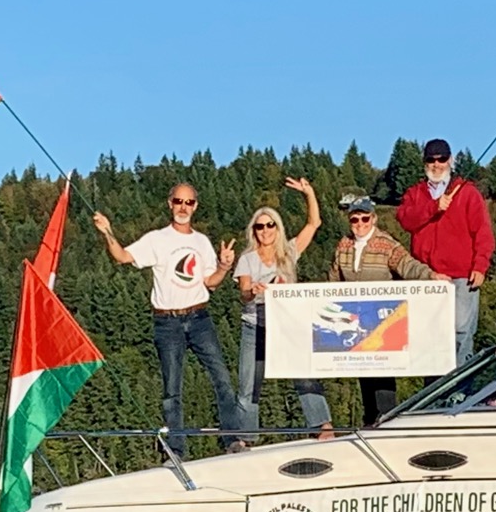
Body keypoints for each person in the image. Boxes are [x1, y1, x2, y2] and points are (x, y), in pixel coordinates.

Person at [92, 184, 246, 454]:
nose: (183, 207)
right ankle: (176, 449)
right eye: (178, 201)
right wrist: (108, 232)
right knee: (171, 390)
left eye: (189, 202)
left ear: (195, 206)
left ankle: (232, 440)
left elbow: (211, 282)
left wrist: (224, 266)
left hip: (200, 318)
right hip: (167, 323)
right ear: (170, 203)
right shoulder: (156, 239)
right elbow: (122, 257)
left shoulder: (201, 242)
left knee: (221, 378)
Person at [235, 178, 335, 439]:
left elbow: (314, 224)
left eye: (270, 225)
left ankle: (322, 426)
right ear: (253, 231)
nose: (266, 230)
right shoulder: (246, 258)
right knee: (248, 385)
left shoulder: (290, 251)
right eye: (260, 226)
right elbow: (243, 293)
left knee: (304, 375)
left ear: (277, 228)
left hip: (288, 325)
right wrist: (252, 291)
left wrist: (309, 193)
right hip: (255, 324)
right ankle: (245, 438)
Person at [329, 195, 435, 426]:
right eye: (354, 219)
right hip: (356, 320)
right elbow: (334, 279)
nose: (360, 224)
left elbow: (408, 265)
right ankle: (369, 420)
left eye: (365, 219)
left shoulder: (387, 244)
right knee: (364, 374)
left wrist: (431, 275)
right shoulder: (343, 245)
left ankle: (388, 419)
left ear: (374, 219)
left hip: (382, 319)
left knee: (384, 371)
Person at [392, 138, 495, 370]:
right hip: (427, 276)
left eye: (441, 159)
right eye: (431, 159)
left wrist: (480, 265)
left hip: (462, 276)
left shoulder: (467, 193)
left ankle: (460, 389)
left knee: (460, 332)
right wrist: (434, 207)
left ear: (450, 160)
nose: (436, 164)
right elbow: (405, 220)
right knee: (429, 337)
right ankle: (433, 390)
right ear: (424, 162)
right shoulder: (414, 194)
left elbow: (484, 233)